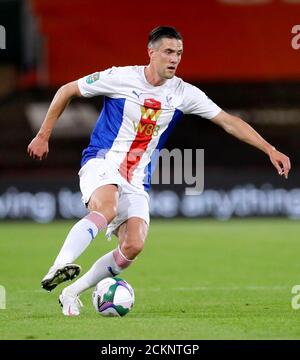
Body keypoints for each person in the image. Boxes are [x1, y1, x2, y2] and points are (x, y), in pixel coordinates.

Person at [27, 26, 291, 316]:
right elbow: (67, 90)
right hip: (102, 161)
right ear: (151, 52)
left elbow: (229, 121)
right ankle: (59, 265)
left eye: (178, 53)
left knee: (133, 245)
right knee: (107, 207)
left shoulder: (183, 93)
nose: (174, 58)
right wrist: (43, 135)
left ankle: (70, 292)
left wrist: (270, 148)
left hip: (137, 178)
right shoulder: (120, 77)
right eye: (168, 51)